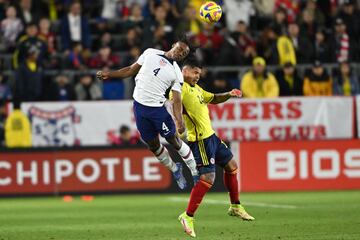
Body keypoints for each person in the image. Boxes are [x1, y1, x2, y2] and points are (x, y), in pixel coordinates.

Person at [96, 39, 199, 189]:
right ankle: (175, 169)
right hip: (139, 108)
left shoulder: (177, 73)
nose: (180, 53)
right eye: (180, 49)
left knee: (173, 140)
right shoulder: (150, 53)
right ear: (173, 45)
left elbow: (177, 99)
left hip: (157, 110)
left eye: (184, 53)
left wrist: (179, 121)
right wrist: (109, 74)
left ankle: (195, 172)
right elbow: (130, 70)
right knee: (153, 146)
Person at [176, 56, 254, 238]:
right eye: (194, 72)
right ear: (184, 71)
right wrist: (178, 122)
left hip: (212, 137)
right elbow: (175, 103)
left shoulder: (196, 88)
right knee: (208, 178)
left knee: (232, 167)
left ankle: (235, 206)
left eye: (199, 74)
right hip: (200, 140)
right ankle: (187, 216)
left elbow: (213, 98)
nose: (197, 76)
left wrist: (228, 94)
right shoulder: (180, 88)